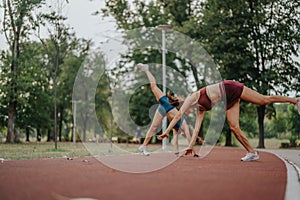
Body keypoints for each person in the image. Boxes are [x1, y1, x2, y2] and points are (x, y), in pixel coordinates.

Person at [158, 80, 300, 161]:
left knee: (262, 100)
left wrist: (166, 132)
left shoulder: (192, 98)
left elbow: (178, 116)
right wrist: (190, 146)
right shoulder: (200, 109)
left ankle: (295, 100)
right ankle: (252, 153)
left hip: (229, 87)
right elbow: (196, 129)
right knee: (233, 127)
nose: (187, 113)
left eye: (186, 111)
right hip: (228, 99)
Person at [136, 63, 200, 156]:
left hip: (164, 108)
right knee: (153, 87)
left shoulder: (177, 127)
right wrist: (194, 152)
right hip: (166, 105)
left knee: (153, 127)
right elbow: (189, 137)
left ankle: (144, 146)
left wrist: (178, 151)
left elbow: (176, 139)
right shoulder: (184, 123)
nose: (183, 135)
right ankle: (146, 69)